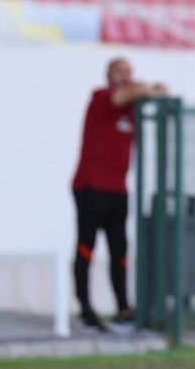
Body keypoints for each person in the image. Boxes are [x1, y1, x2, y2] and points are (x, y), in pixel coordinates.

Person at [71, 57, 168, 332]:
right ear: (110, 75)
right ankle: (86, 308)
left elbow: (155, 92)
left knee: (120, 252)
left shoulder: (131, 108)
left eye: (129, 71)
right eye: (120, 71)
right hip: (90, 187)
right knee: (86, 247)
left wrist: (152, 90)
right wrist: (146, 88)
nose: (126, 76)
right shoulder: (102, 97)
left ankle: (123, 309)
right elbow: (129, 93)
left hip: (117, 191)